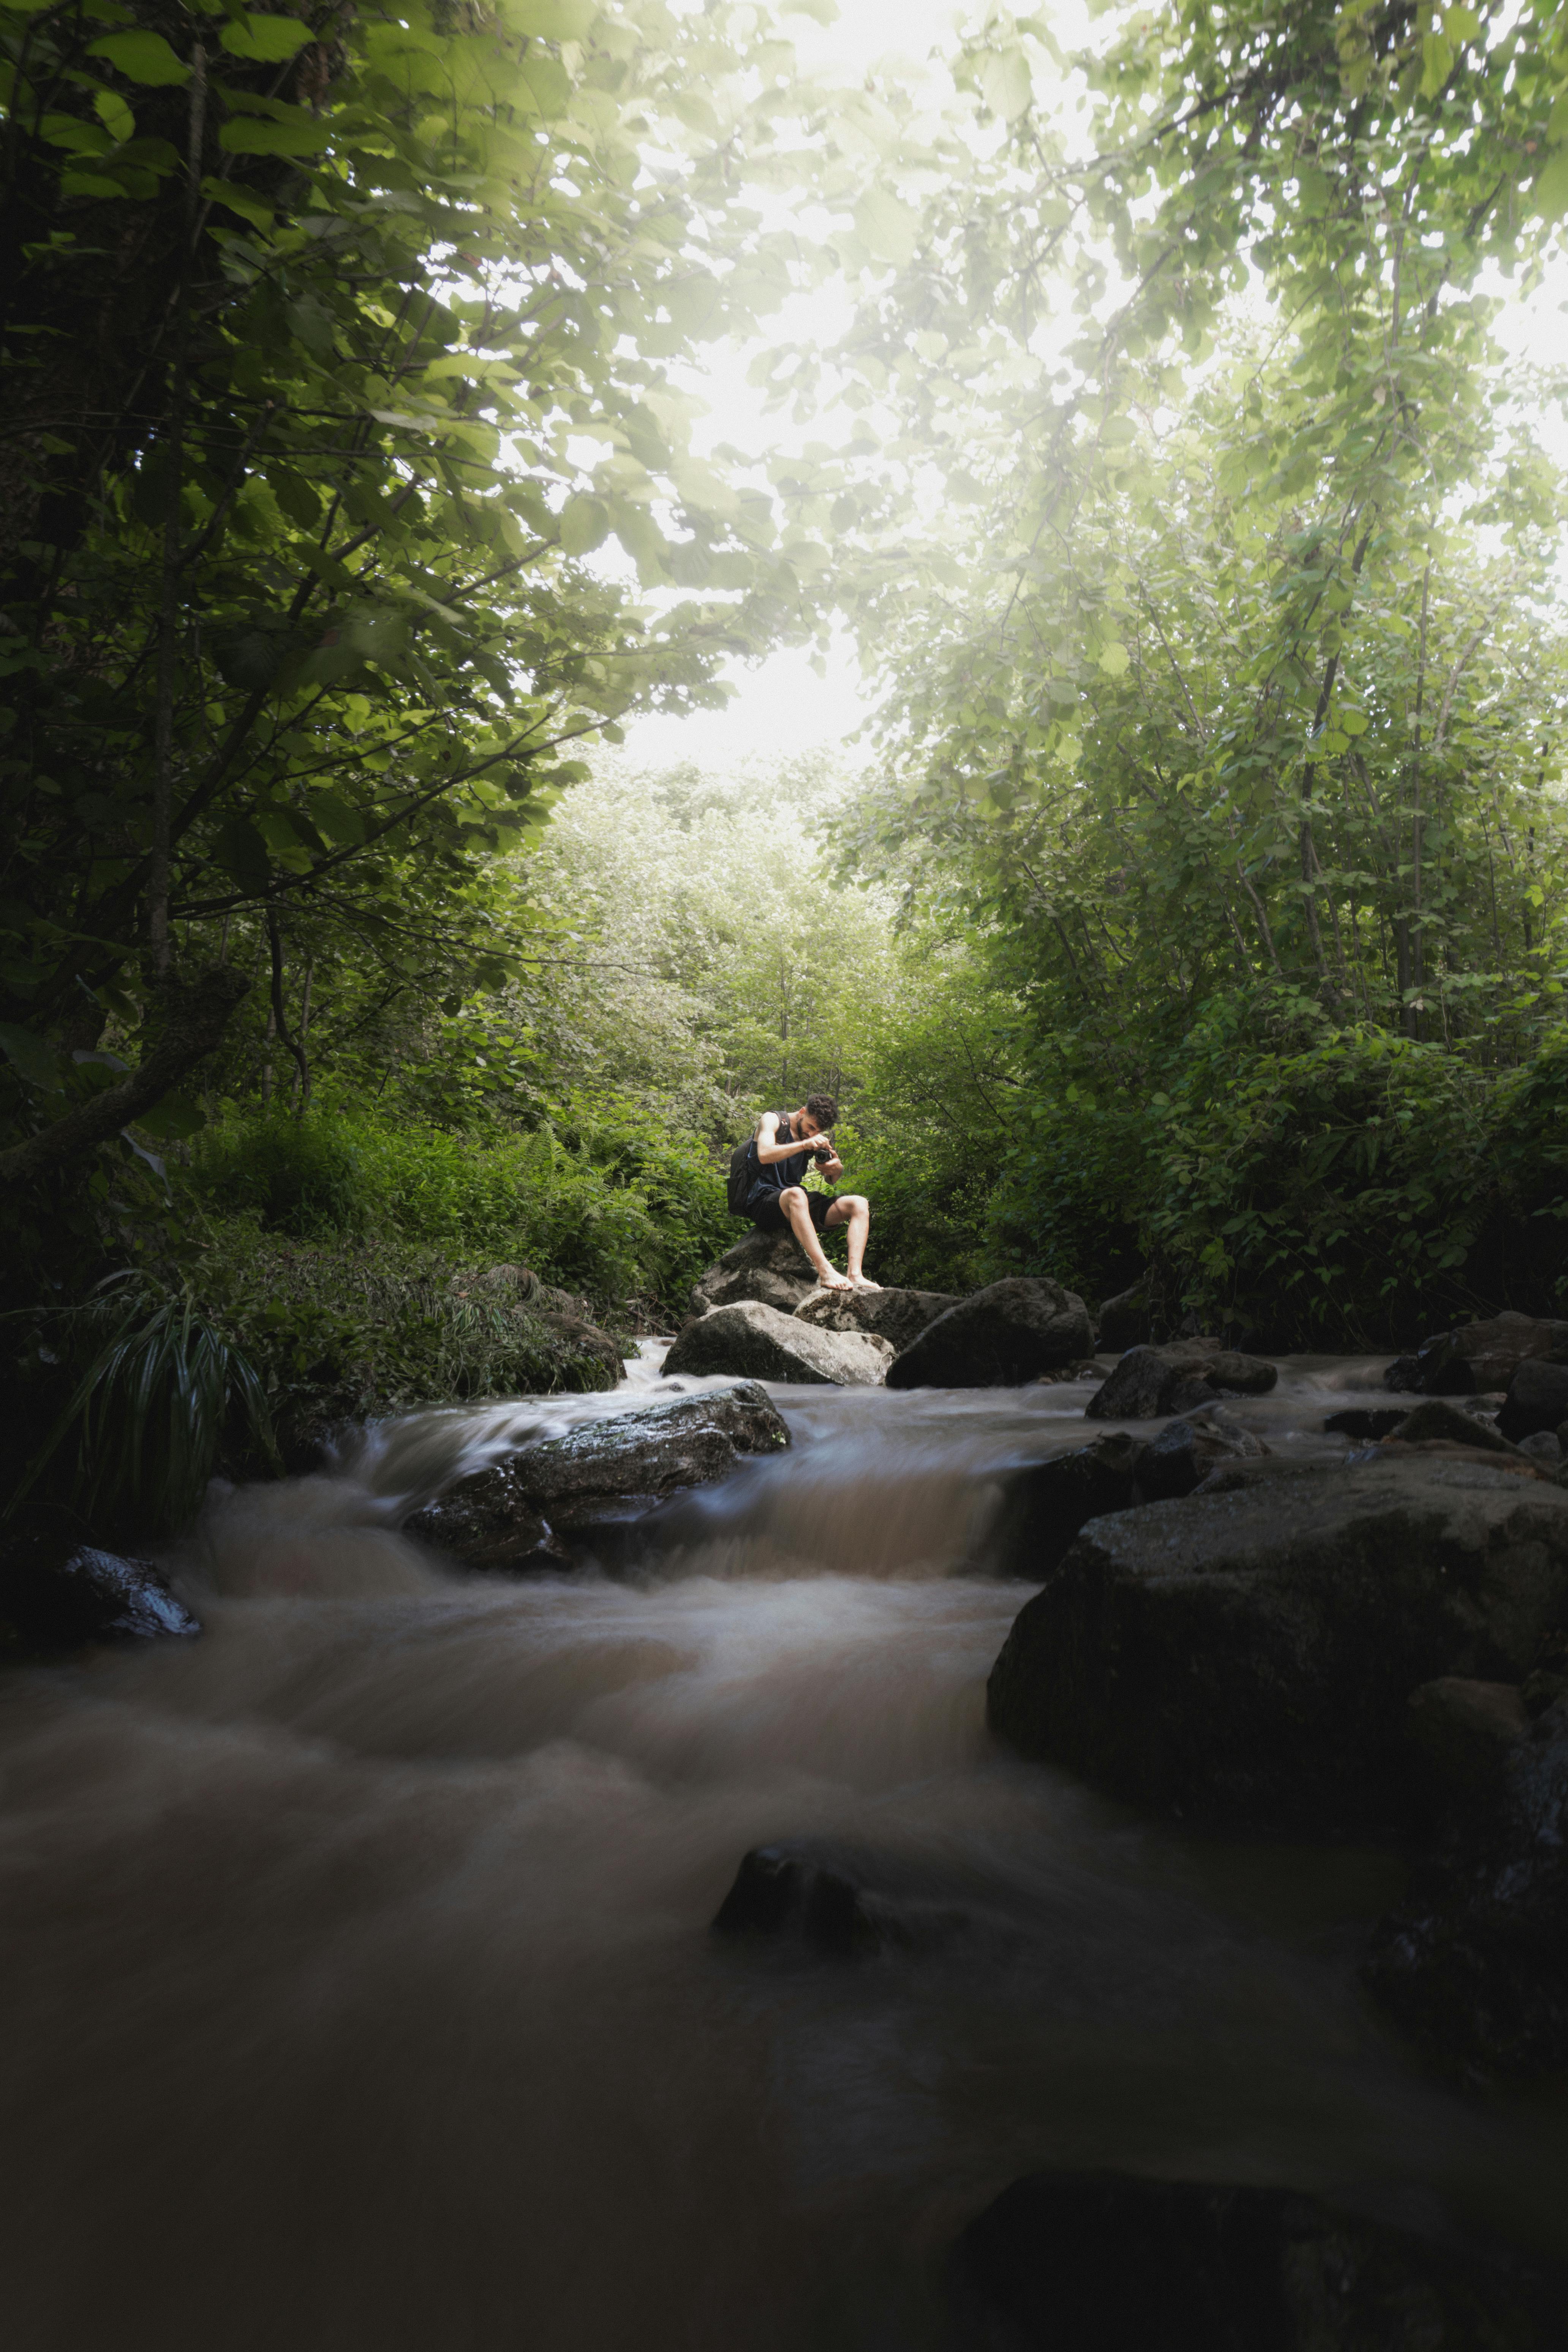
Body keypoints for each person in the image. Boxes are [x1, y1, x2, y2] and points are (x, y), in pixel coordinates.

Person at [744, 1093, 877, 1296]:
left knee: (858, 1203)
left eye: (819, 1131)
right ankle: (825, 1271)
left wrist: (836, 1169)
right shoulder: (773, 1120)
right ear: (802, 1112)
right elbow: (765, 1154)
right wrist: (805, 1145)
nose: (813, 1133)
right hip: (763, 1202)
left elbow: (831, 1181)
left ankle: (855, 1274)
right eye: (811, 1127)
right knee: (797, 1194)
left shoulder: (812, 1137)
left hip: (795, 1205)